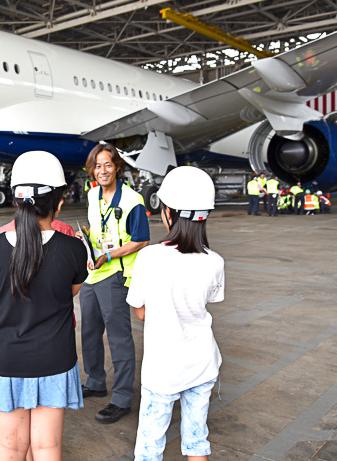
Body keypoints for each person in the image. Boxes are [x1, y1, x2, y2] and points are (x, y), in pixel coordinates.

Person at [0, 151, 87, 461]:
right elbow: (69, 293)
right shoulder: (73, 249)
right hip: (55, 360)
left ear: (16, 202)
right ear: (59, 203)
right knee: (47, 448)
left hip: (5, 361)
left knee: (10, 448)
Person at [126, 166, 225, 461]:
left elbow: (141, 313)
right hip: (203, 363)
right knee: (196, 441)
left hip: (163, 369)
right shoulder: (215, 261)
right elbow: (207, 301)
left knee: (150, 447)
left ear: (167, 212)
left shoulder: (149, 257)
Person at [78, 142, 149, 424]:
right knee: (89, 334)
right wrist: (85, 243)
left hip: (116, 275)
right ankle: (95, 381)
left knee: (119, 339)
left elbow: (141, 240)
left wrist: (109, 254)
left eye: (108, 164)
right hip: (92, 273)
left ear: (117, 167)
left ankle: (121, 398)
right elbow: (97, 229)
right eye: (98, 165)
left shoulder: (133, 200)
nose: (102, 170)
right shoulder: (93, 194)